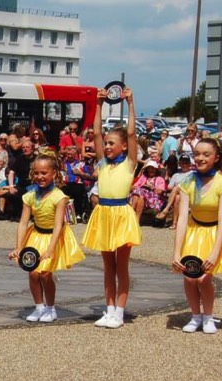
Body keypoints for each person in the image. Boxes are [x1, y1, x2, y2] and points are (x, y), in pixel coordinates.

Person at [82, 87, 142, 329]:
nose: (107, 146)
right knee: (108, 266)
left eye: (112, 143)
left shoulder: (129, 164)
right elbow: (96, 132)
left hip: (121, 214)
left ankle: (119, 310)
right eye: (106, 143)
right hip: (104, 214)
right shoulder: (102, 164)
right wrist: (98, 104)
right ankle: (108, 309)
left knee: (121, 266)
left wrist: (130, 102)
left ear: (124, 146)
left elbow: (131, 132)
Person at [172, 138, 222, 334]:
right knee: (189, 276)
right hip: (195, 230)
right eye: (197, 154)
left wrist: (215, 253)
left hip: (216, 232)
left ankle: (208, 316)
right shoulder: (187, 181)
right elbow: (181, 219)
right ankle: (195, 316)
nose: (200, 158)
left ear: (217, 157)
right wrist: (176, 252)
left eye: (206, 154)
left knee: (204, 278)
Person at [9, 154, 85, 323]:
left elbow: (59, 224)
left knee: (45, 274)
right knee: (33, 272)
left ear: (54, 173)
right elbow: (23, 223)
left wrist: (51, 248)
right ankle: (39, 307)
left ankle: (50, 308)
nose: (40, 177)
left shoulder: (59, 197)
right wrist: (18, 247)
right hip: (35, 235)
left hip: (53, 236)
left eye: (44, 173)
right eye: (36, 173)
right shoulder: (29, 196)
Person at [156, 154, 194, 229]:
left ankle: (166, 209)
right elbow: (170, 187)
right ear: (179, 164)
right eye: (183, 163)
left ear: (190, 164)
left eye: (186, 163)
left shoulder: (193, 174)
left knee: (177, 188)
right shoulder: (176, 175)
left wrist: (180, 187)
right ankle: (175, 223)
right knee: (177, 198)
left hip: (189, 194)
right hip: (179, 195)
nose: (184, 165)